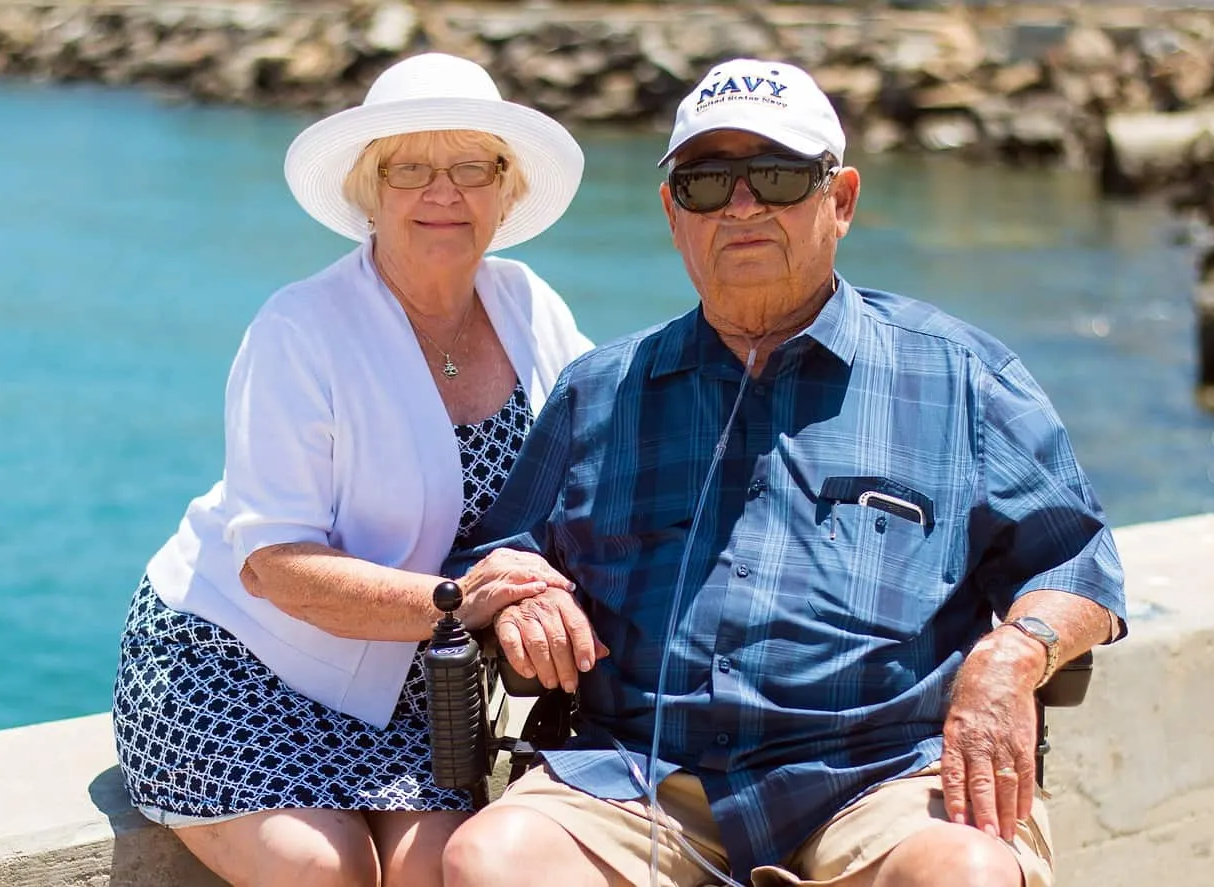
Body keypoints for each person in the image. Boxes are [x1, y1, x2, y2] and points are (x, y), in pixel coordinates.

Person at [440, 58, 1126, 887]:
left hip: (884, 776)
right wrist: (521, 585)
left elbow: (1077, 562)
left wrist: (1012, 656)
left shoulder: (960, 375)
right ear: (672, 212)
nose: (742, 206)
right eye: (706, 182)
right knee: (491, 858)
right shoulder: (600, 390)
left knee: (965, 873)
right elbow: (497, 553)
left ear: (840, 201)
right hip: (637, 776)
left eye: (776, 176)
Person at [111, 52, 590, 887]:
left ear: (506, 190)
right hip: (231, 663)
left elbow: (600, 472)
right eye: (411, 168)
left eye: (471, 166)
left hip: (406, 685)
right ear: (370, 192)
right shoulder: (300, 328)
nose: (444, 193)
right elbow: (273, 566)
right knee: (325, 869)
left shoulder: (532, 307)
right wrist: (457, 602)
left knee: (443, 870)